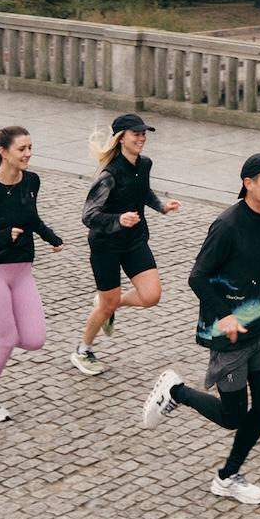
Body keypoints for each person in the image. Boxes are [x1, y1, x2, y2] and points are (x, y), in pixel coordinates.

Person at [141, 154, 260, 504]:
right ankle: (177, 392)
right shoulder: (227, 225)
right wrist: (224, 315)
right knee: (233, 416)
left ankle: (227, 475)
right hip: (228, 336)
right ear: (248, 184)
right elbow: (197, 277)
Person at [0, 126, 64, 422]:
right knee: (7, 341)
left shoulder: (32, 181)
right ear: (3, 152)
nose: (28, 154)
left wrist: (50, 237)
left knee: (34, 339)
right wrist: (4, 235)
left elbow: (30, 216)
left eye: (30, 147)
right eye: (22, 149)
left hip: (21, 272)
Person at [72, 113, 180, 376]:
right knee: (106, 306)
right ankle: (82, 350)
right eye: (136, 134)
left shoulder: (144, 165)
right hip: (105, 246)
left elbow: (143, 192)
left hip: (134, 241)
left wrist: (162, 207)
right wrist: (119, 219)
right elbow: (88, 216)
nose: (141, 138)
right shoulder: (109, 175)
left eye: (144, 133)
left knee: (151, 295)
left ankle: (108, 303)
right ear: (121, 138)